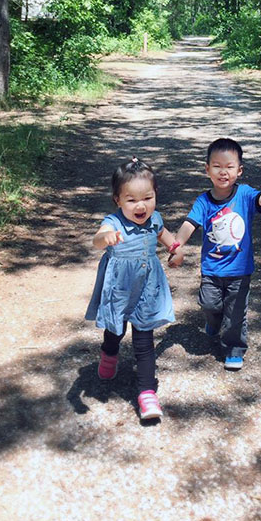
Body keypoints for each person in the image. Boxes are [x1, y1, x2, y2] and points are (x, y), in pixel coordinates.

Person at [167, 138, 261, 370]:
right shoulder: (203, 201)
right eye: (217, 166)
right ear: (207, 169)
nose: (223, 172)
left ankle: (234, 348)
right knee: (209, 303)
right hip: (212, 268)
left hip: (240, 270)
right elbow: (190, 224)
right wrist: (177, 243)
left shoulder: (245, 194)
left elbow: (260, 201)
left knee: (236, 312)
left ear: (239, 171)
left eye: (229, 167)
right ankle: (213, 321)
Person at [85, 157, 177, 420]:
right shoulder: (113, 222)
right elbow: (97, 239)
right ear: (117, 200)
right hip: (119, 289)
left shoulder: (154, 219)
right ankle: (109, 355)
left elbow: (165, 236)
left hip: (146, 289)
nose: (141, 206)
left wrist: (175, 250)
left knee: (144, 341)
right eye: (132, 200)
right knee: (114, 331)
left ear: (155, 195)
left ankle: (147, 393)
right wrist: (105, 238)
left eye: (147, 198)